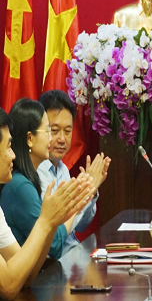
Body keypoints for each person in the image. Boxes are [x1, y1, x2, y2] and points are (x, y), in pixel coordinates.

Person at [0, 106, 90, 300]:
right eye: (8, 147)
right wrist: (47, 221)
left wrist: (50, 221)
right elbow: (8, 286)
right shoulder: (19, 186)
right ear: (30, 138)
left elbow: (27, 276)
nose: (13, 155)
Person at [37, 90, 110, 257]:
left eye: (68, 131)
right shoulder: (37, 172)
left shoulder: (63, 169)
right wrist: (86, 190)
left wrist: (90, 192)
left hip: (75, 256)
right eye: (54, 130)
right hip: (54, 263)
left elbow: (81, 226)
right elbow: (57, 229)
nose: (62, 139)